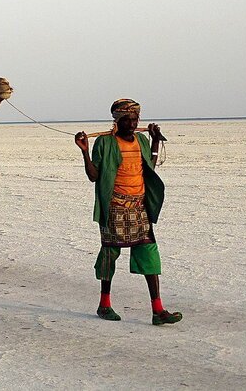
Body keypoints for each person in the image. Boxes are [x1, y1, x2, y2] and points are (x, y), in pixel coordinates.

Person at [75, 99, 183, 325]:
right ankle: (104, 305)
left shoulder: (141, 140)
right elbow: (94, 176)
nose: (132, 124)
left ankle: (158, 310)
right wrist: (85, 152)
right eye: (127, 120)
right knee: (110, 254)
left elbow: (150, 166)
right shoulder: (104, 143)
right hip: (115, 207)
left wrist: (154, 141)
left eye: (135, 119)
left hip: (139, 206)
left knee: (149, 253)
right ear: (116, 121)